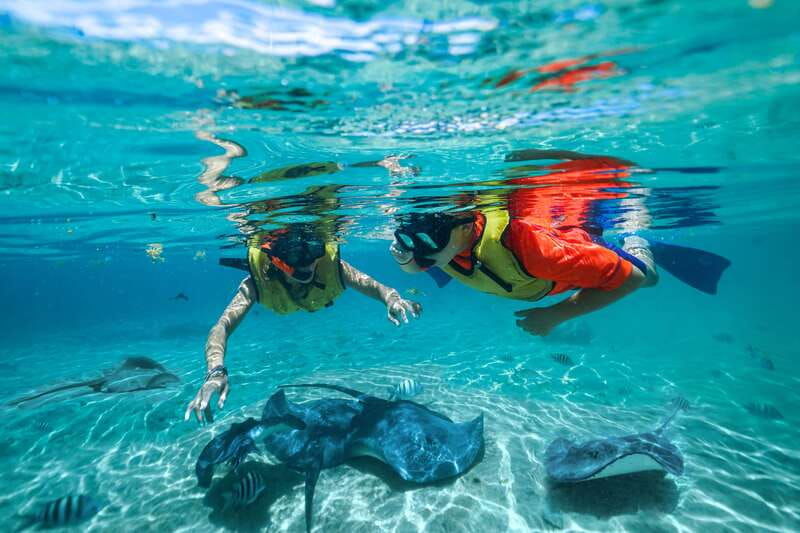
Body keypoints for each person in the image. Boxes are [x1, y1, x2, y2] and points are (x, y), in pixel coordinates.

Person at [184, 223, 421, 423]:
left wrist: (393, 300)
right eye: (296, 254)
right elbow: (221, 327)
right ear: (276, 259)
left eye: (316, 250)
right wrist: (215, 371)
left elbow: (377, 287)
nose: (309, 262)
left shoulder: (333, 267)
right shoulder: (256, 284)